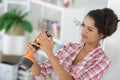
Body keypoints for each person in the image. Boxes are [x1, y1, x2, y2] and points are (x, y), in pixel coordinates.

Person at [26, 8, 119, 80]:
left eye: (90, 29)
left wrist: (49, 52)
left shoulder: (102, 61)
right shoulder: (70, 47)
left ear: (101, 35)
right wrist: (30, 56)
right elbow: (40, 71)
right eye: (83, 25)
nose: (83, 31)